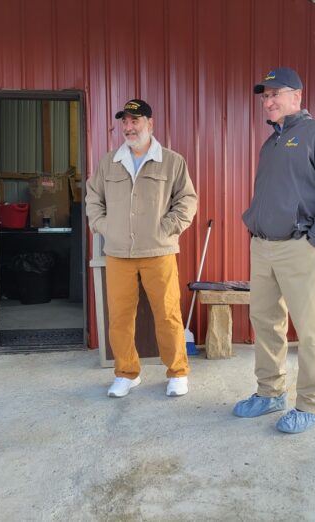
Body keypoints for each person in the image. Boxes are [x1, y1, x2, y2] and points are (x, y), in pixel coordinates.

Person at [235, 68, 315, 433]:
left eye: (275, 94)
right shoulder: (269, 144)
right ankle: (270, 393)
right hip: (263, 248)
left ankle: (311, 404)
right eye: (264, 96)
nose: (267, 102)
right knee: (265, 323)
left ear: (297, 96)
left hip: (299, 247)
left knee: (310, 328)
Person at [86, 99, 197, 398]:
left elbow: (187, 200)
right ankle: (126, 373)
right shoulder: (109, 162)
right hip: (119, 252)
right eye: (125, 122)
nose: (128, 127)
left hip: (159, 251)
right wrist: (102, 225)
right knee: (120, 316)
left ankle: (177, 372)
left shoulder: (172, 161)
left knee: (168, 314)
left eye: (135, 121)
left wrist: (168, 227)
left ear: (150, 123)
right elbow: (93, 197)